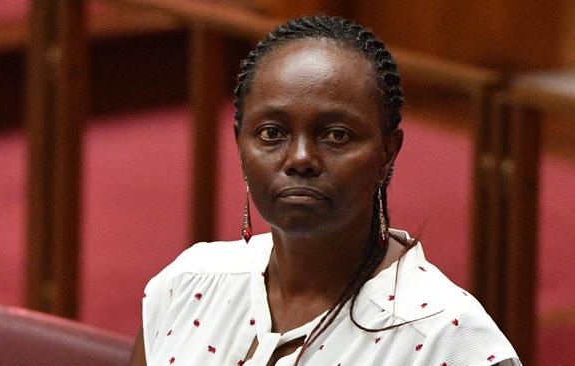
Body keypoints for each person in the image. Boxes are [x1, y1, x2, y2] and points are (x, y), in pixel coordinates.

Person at [128, 15, 521, 366]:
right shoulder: (187, 284)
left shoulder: (446, 338)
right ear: (239, 144)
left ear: (388, 152)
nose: (301, 158)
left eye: (336, 135)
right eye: (272, 133)